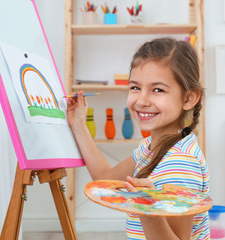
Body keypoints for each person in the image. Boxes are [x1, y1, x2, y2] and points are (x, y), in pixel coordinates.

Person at [67, 37, 210, 240]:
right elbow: (105, 179)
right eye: (135, 87)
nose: (142, 100)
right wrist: (79, 124)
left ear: (188, 98)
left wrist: (146, 205)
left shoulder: (180, 163)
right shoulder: (152, 147)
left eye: (158, 90)